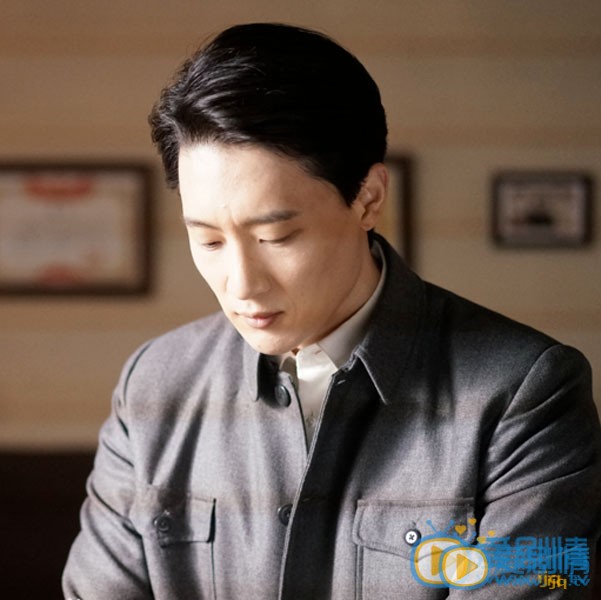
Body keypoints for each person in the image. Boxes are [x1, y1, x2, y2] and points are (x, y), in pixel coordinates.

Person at [63, 23, 601, 599]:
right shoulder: (153, 385)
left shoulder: (530, 393)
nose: (241, 284)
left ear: (368, 198)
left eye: (276, 238)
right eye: (209, 241)